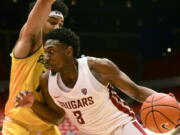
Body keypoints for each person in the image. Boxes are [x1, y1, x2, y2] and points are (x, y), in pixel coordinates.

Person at [16, 27, 159, 135]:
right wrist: (33, 104)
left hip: (120, 127)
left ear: (68, 51)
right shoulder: (46, 80)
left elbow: (136, 91)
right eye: (45, 53)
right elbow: (58, 117)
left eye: (51, 51)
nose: (46, 57)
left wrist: (168, 102)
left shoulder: (97, 68)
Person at [2, 0, 68, 135]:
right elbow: (43, 3)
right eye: (52, 22)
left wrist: (35, 105)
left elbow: (59, 117)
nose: (57, 28)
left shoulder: (59, 62)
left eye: (60, 24)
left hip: (47, 128)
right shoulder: (28, 43)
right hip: (17, 126)